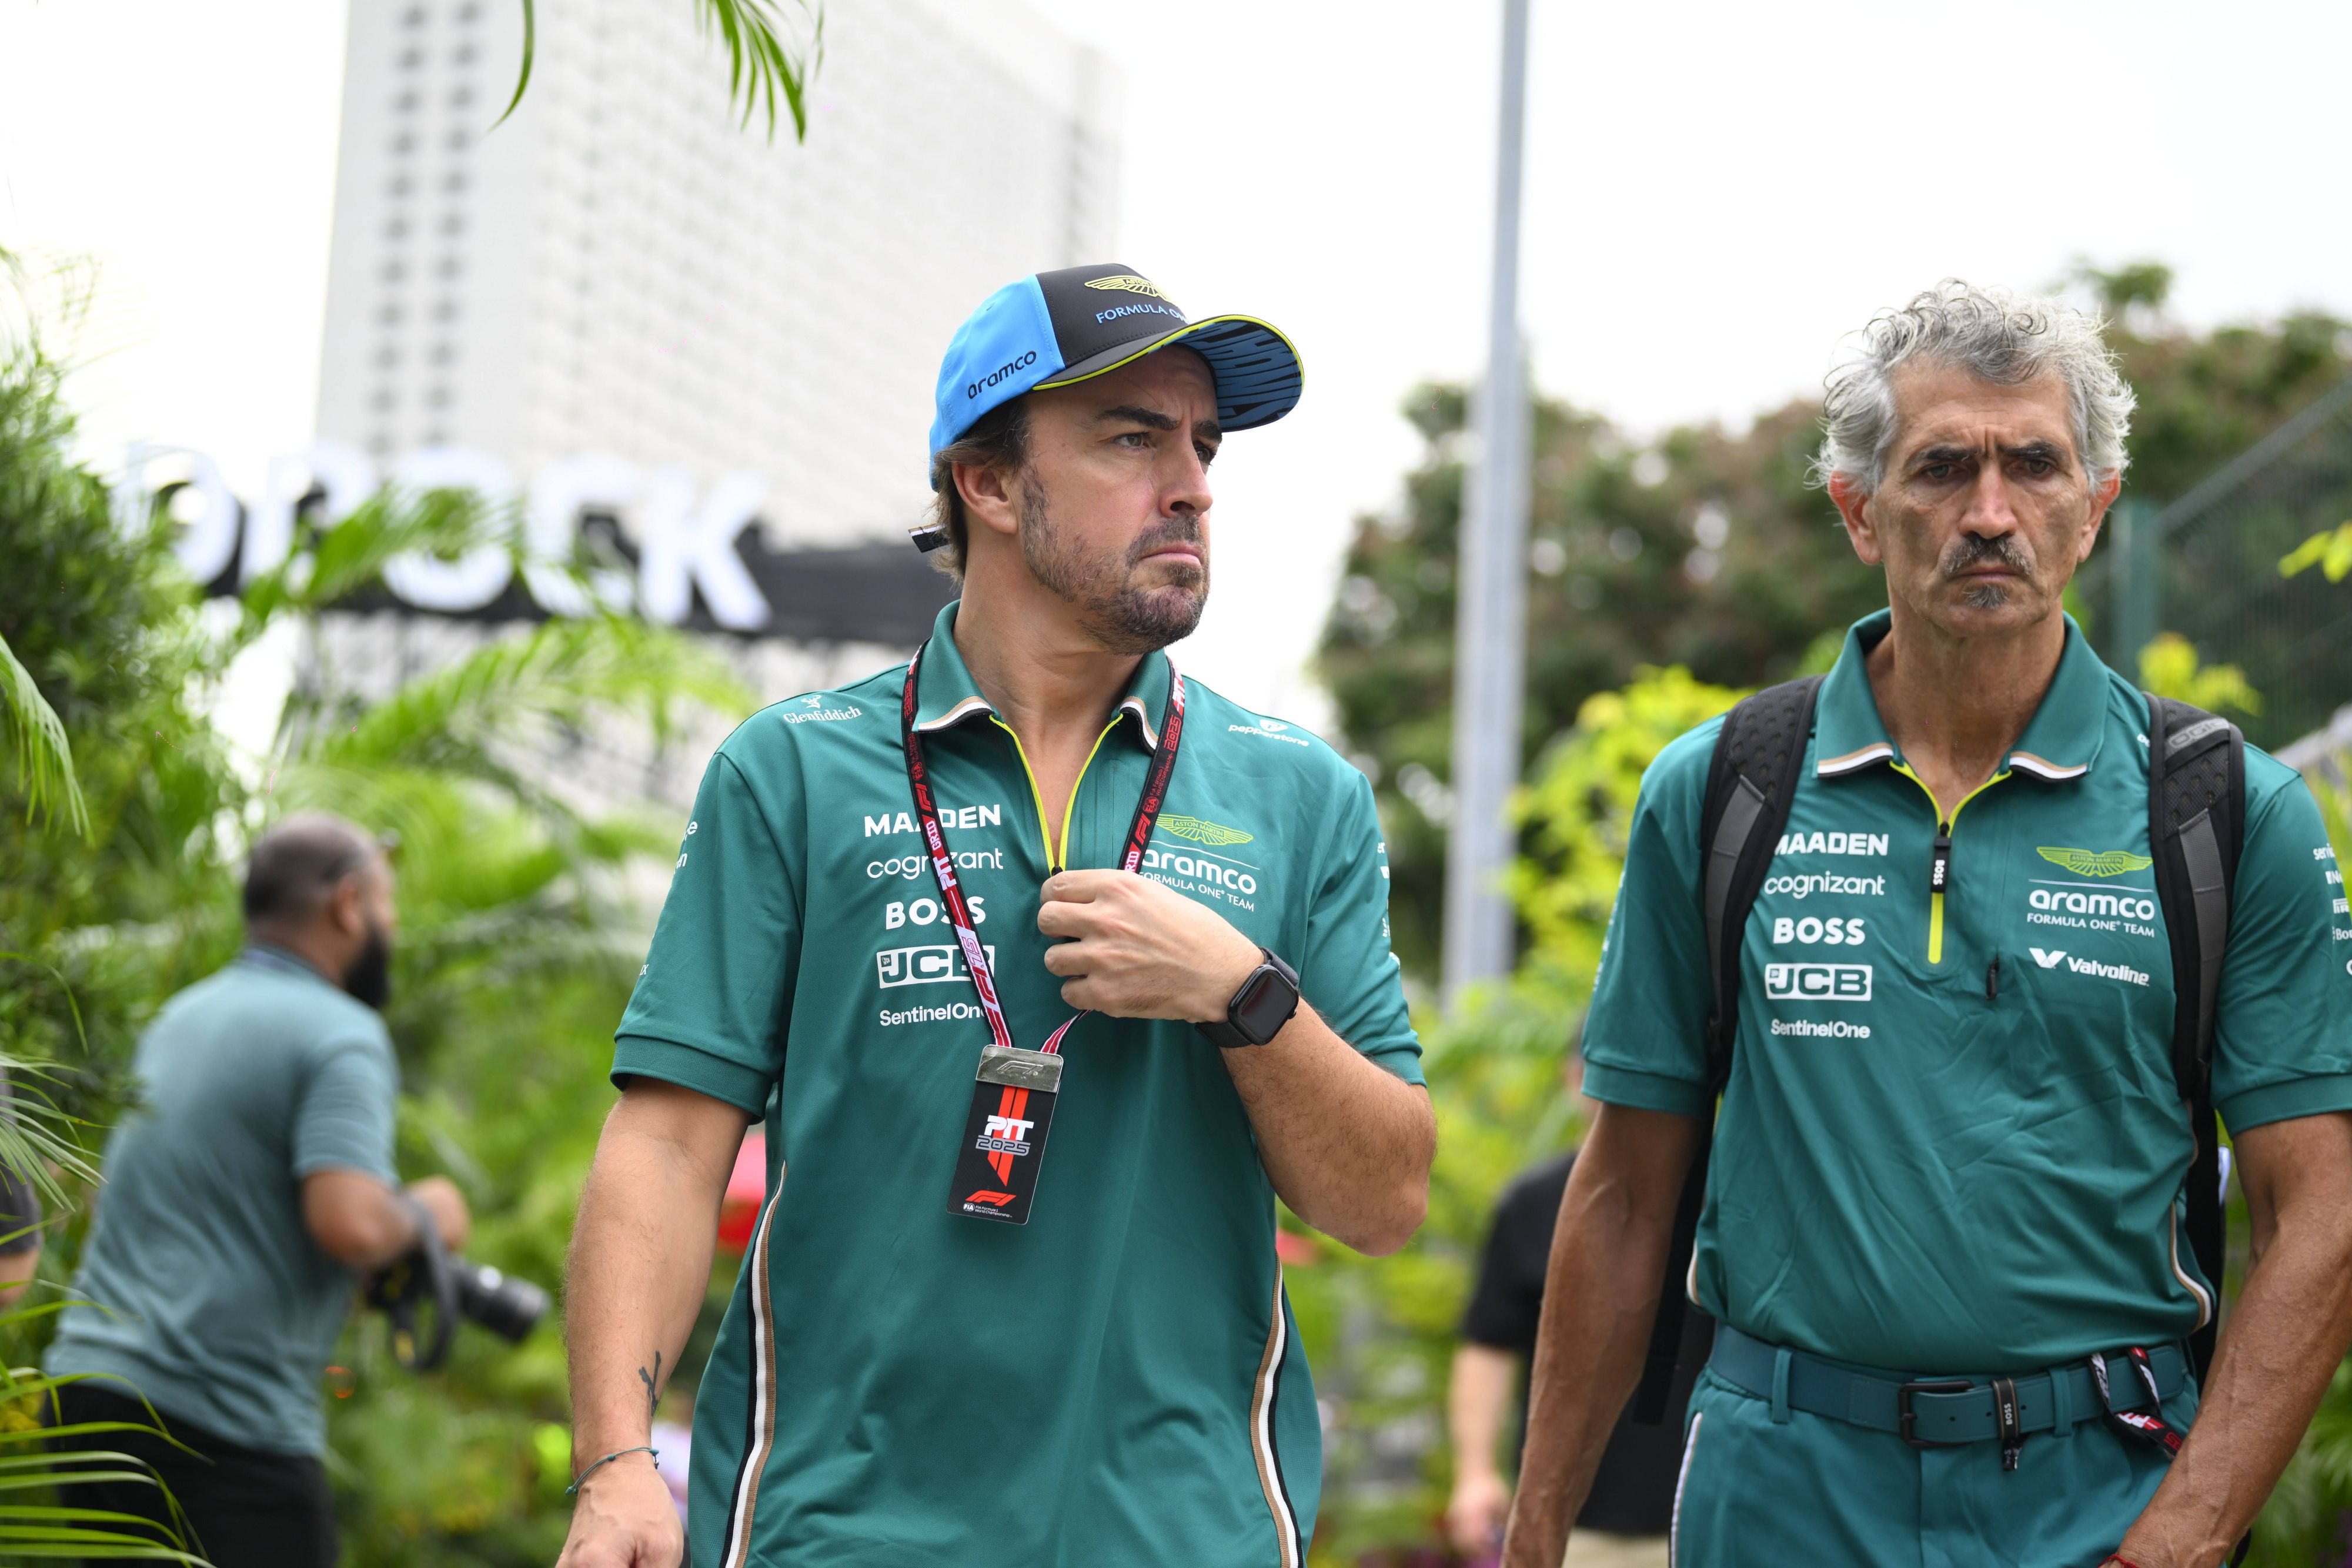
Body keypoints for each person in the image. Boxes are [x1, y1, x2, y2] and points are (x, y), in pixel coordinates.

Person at [557, 263, 1435, 1568]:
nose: (1190, 480)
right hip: (836, 1529)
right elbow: (670, 1149)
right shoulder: (792, 769)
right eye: (1131, 438)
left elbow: (1380, 1199)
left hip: (1183, 1532)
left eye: (1199, 443)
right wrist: (617, 1463)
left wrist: (1244, 994)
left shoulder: (1293, 792)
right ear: (987, 480)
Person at [1503, 283, 2352, 1568]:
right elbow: (1621, 1194)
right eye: (1941, 469)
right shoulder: (1726, 788)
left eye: (2032, 467)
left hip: (2097, 1491)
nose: (1989, 514)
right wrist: (1530, 1536)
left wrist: (2177, 1540)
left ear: (2095, 504)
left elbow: (2319, 1216)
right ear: (1858, 510)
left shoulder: (2224, 812)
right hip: (1777, 1486)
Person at [45, 814, 470, 1568]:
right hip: (217, 1426)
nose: (391, 926)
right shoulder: (340, 1033)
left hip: (88, 1399)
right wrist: (431, 1213)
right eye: (387, 904)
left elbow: (129, 1202)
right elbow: (351, 1224)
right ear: (348, 904)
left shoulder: (183, 1016)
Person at [1447, 1055, 1701, 1568]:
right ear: (1571, 1076)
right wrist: (1475, 1472)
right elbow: (1488, 1346)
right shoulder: (1532, 1203)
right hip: (1573, 1525)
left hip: (1710, 1515)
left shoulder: (1725, 1195)